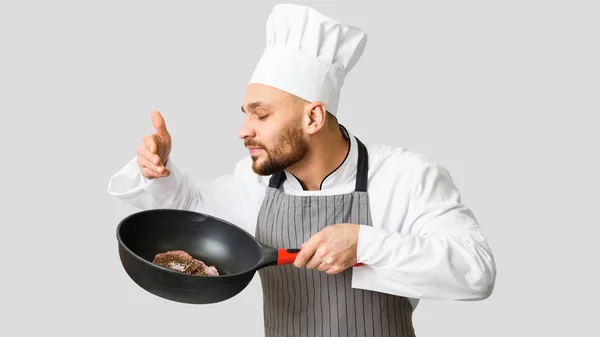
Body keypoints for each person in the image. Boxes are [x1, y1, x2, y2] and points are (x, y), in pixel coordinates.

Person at [107, 3, 496, 337]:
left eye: (261, 114)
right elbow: (190, 211)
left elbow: (475, 270)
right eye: (245, 114)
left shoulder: (404, 176)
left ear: (313, 116)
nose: (243, 130)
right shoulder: (255, 183)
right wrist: (159, 172)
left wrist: (365, 243)